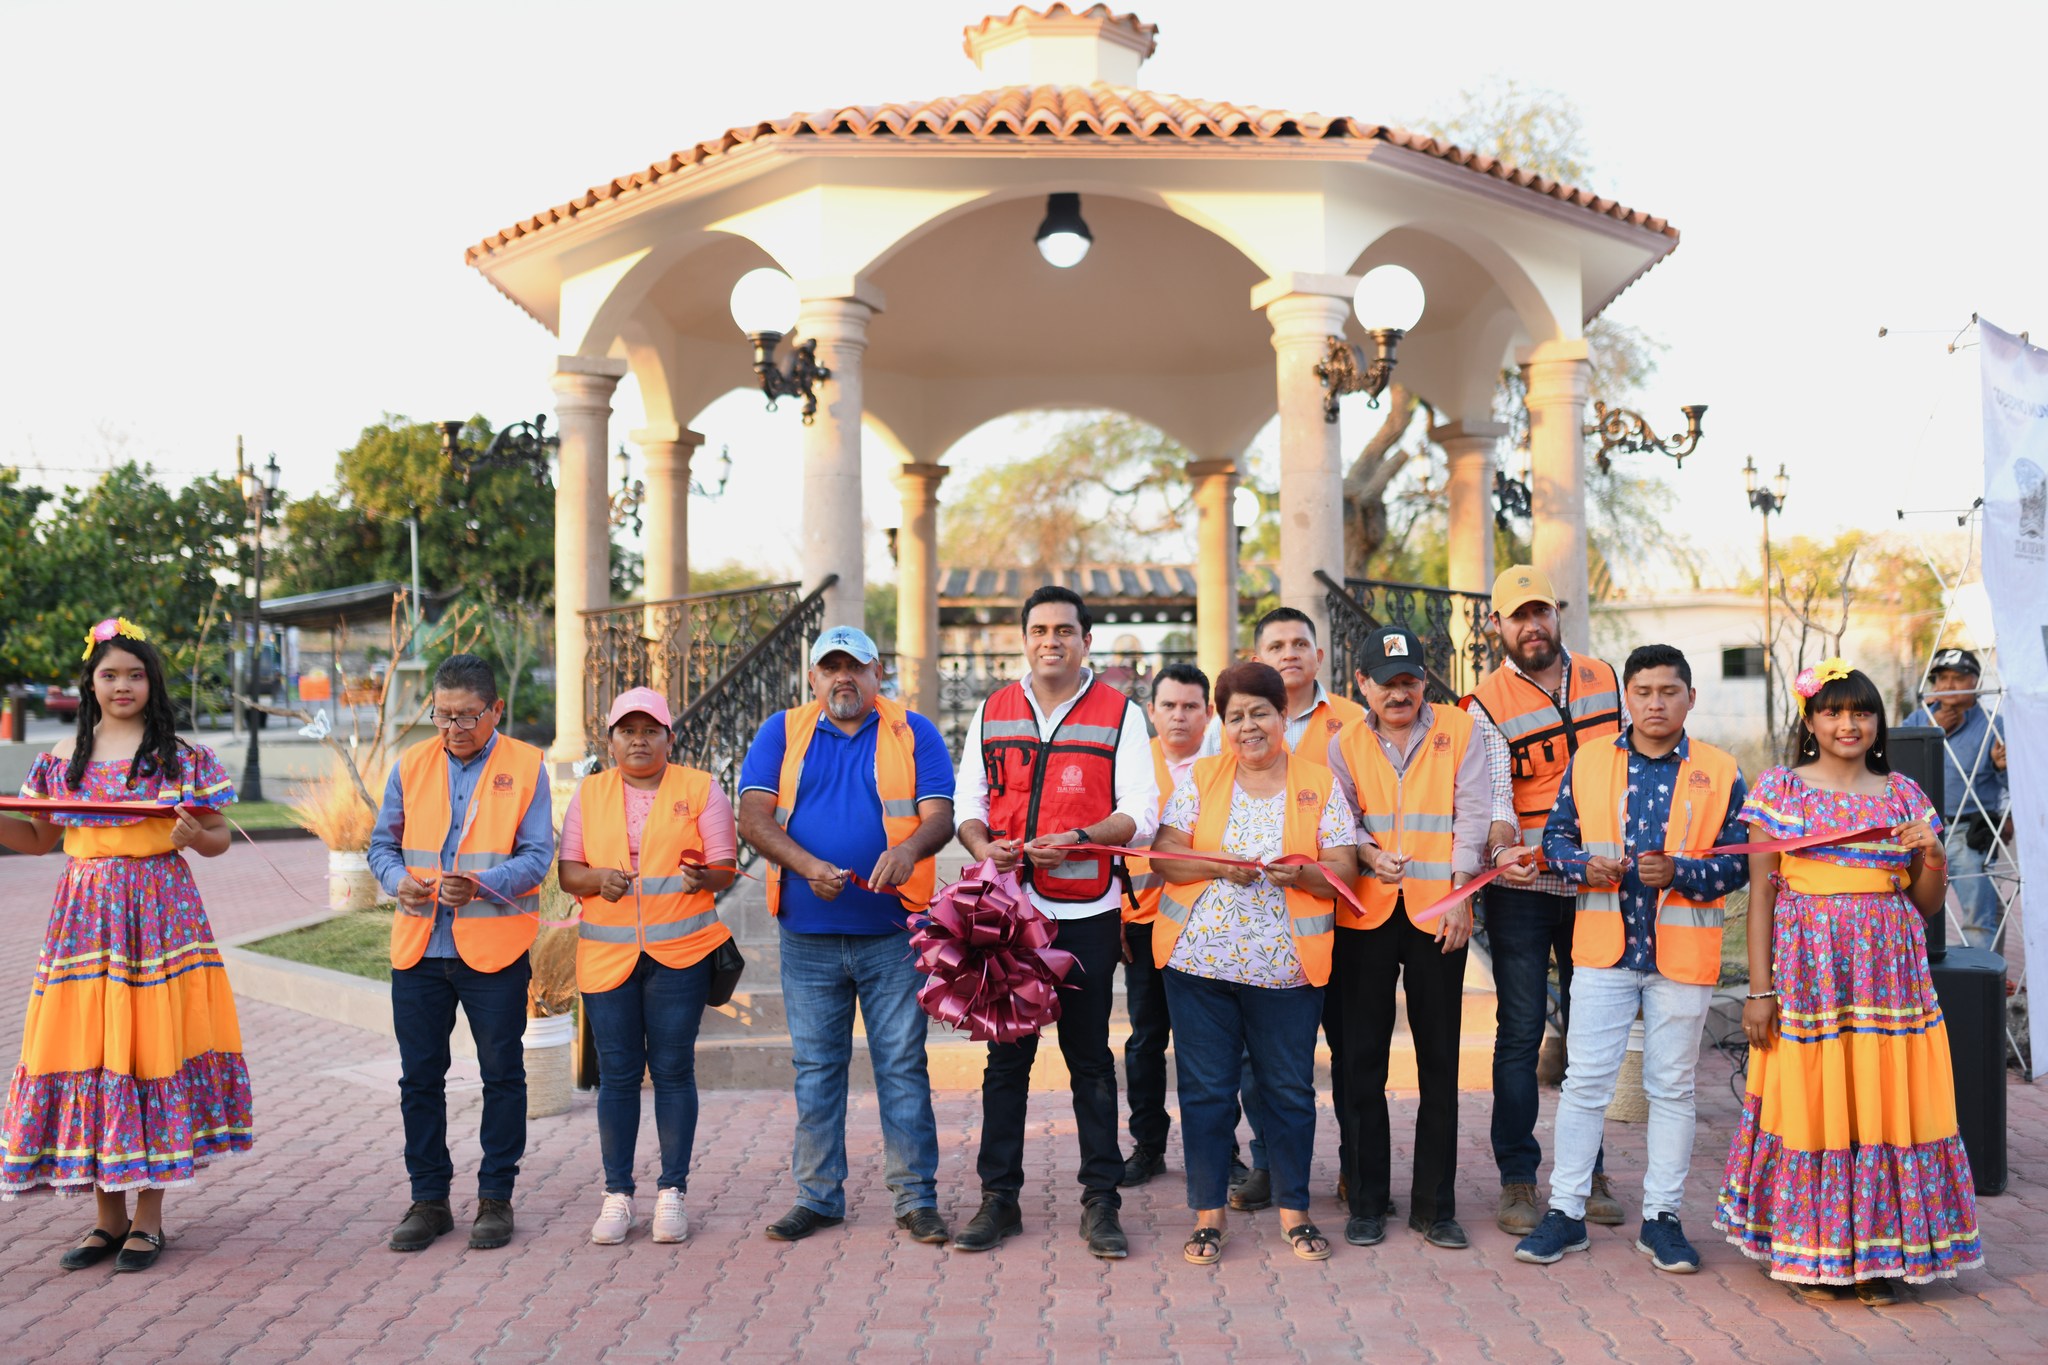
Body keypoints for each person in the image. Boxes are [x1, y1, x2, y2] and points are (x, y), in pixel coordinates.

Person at [1716, 660, 1982, 1303]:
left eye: (1861, 712)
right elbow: (1761, 900)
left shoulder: (1905, 797)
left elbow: (1922, 901)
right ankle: (1819, 1251)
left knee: (1886, 1101)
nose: (1848, 723)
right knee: (1818, 1102)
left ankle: (1882, 1256)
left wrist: (1933, 856)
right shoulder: (1780, 791)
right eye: (1833, 711)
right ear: (1810, 720)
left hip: (1891, 982)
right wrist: (1759, 991)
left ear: (1877, 721)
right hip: (1811, 982)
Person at [0, 619, 247, 1273]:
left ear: (152, 681)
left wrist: (195, 836)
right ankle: (106, 1218)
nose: (122, 685)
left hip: (159, 917)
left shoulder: (178, 756)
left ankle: (149, 1217)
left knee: (149, 1045)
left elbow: (218, 835)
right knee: (93, 1048)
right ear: (91, 682)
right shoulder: (62, 757)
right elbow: (36, 839)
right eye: (109, 674)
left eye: (135, 674)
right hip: (85, 921)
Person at [1514, 644, 1749, 1275]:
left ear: (1690, 698)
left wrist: (1683, 872)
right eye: (1642, 691)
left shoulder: (1721, 769)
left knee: (1671, 1087)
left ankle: (1663, 1218)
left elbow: (1741, 861)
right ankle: (1565, 1212)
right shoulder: (1591, 763)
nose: (1654, 703)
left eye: (1668, 691)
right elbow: (1554, 840)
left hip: (1681, 954)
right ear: (1627, 698)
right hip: (1602, 953)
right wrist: (1583, 864)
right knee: (1585, 1083)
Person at [953, 585, 1159, 1257]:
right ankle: (998, 1199)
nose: (1051, 640)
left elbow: (1142, 811)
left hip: (1085, 915)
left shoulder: (1122, 713)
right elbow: (968, 800)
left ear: (1086, 639)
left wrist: (1078, 837)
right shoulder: (992, 708)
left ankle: (1101, 1200)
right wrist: (984, 847)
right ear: (1024, 637)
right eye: (1039, 628)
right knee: (1006, 1058)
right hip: (1009, 915)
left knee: (1090, 1059)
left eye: (1064, 629)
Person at [736, 626, 956, 1246]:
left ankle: (915, 1198)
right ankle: (818, 1197)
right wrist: (806, 867)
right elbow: (752, 817)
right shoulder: (782, 731)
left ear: (877, 672)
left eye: (854, 667)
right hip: (807, 936)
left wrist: (909, 848)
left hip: (892, 935)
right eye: (829, 668)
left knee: (903, 1067)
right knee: (815, 1069)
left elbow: (940, 815)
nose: (843, 678)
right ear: (812, 677)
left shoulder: (916, 732)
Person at [1146, 661, 1359, 1265]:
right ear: (1223, 723)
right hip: (1198, 969)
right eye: (1235, 716)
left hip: (1288, 974)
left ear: (1282, 715)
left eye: (1259, 712)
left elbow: (1343, 869)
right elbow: (1164, 857)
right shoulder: (1203, 778)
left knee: (1288, 1092)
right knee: (1207, 1094)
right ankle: (1208, 1216)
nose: (1248, 726)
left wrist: (1305, 875)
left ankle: (1295, 1212)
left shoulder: (1317, 782)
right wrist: (1218, 865)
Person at [368, 653, 553, 1254]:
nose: (453, 728)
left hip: (494, 949)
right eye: (442, 716)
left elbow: (536, 857)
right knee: (420, 1077)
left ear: (495, 710)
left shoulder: (527, 767)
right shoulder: (410, 764)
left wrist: (482, 884)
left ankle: (496, 1196)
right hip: (419, 947)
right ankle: (429, 1200)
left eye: (467, 716)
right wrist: (397, 880)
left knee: (502, 1075)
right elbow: (381, 846)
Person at [1462, 564, 1626, 1236]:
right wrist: (1501, 851)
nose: (1532, 625)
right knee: (1521, 1033)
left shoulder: (1605, 678)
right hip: (1522, 887)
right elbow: (1494, 793)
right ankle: (1518, 1179)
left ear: (1558, 613)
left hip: (1597, 883)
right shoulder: (1485, 703)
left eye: (1542, 612)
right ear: (1495, 626)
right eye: (1517, 615)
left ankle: (1587, 1172)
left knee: (1594, 1033)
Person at [1197, 606, 1366, 1212]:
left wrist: (1322, 872)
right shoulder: (1236, 725)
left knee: (1338, 1057)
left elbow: (1353, 819)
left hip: (1331, 921)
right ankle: (1268, 1165)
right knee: (1251, 1064)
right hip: (1245, 940)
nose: (1290, 653)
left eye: (1301, 643)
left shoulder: (1351, 720)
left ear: (1319, 656)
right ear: (1258, 657)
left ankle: (1352, 1171)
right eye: (1276, 644)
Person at [559, 687, 737, 1246]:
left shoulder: (700, 788)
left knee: (673, 1070)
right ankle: (617, 1195)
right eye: (626, 730)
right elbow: (569, 873)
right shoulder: (588, 794)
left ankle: (671, 1193)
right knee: (616, 1075)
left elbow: (725, 867)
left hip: (679, 956)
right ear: (609, 740)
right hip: (607, 956)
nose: (639, 739)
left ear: (669, 736)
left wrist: (703, 877)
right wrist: (597, 881)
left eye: (650, 729)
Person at [1328, 626, 1486, 1250]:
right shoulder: (1344, 745)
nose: (1401, 693)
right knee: (1360, 1063)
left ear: (1425, 681)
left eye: (1410, 680)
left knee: (1439, 1063)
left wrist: (1462, 894)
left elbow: (1471, 813)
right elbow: (1340, 822)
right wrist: (1365, 854)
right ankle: (1367, 1201)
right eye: (1387, 683)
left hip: (1436, 915)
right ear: (1362, 684)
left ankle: (1434, 1207)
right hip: (1364, 917)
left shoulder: (1461, 731)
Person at [1118, 661, 1209, 1187]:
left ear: (1207, 712)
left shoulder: (1224, 766)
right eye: (1169, 706)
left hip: (1208, 927)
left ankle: (1219, 1147)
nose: (1179, 716)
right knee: (1146, 1041)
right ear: (1151, 712)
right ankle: (1148, 1146)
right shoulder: (1131, 766)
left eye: (1190, 706)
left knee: (1211, 1047)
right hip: (1143, 926)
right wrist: (1117, 918)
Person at [1903, 648, 2009, 951]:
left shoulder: (1994, 725)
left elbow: (2010, 787)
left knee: (1979, 911)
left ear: (1976, 681)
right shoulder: (1918, 719)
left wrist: (2002, 767)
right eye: (1943, 678)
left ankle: (1983, 982)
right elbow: (1898, 766)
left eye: (1958, 677)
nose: (1949, 685)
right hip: (1920, 831)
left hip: (1968, 830)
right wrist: (1932, 731)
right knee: (1916, 907)